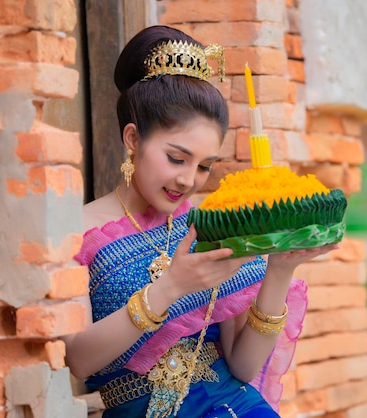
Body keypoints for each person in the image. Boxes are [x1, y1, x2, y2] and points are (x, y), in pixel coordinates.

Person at [62, 25, 336, 418]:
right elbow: (78, 360)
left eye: (204, 165)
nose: (188, 180)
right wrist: (171, 287)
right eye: (177, 158)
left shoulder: (209, 225)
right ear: (133, 138)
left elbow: (243, 366)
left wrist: (279, 270)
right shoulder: (77, 232)